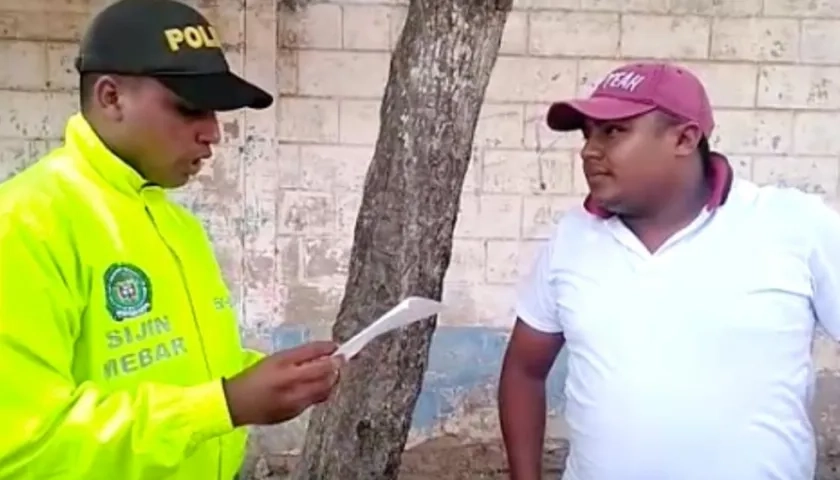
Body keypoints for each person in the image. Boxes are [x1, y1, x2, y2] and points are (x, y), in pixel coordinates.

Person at [0, 0, 344, 479]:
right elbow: (21, 449)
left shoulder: (177, 228)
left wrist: (274, 378)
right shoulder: (25, 225)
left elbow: (183, 371)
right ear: (110, 97)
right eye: (189, 108)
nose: (213, 133)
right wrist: (224, 405)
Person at [498, 61, 840, 480]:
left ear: (684, 137)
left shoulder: (792, 225)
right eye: (587, 133)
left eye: (613, 131)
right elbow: (524, 370)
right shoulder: (572, 238)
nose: (588, 150)